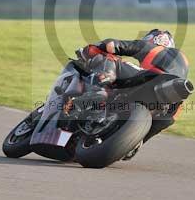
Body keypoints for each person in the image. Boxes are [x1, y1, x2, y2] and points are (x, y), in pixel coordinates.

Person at [77, 29, 189, 159]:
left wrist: (92, 49)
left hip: (152, 78)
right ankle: (136, 144)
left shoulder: (151, 47)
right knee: (166, 119)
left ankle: (98, 92)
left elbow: (112, 45)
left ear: (154, 39)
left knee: (110, 58)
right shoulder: (181, 61)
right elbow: (167, 121)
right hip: (174, 101)